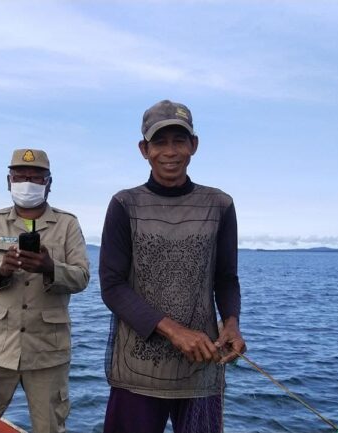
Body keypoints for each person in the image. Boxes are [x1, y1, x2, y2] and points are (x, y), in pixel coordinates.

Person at [99, 100, 246, 433]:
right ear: (144, 149)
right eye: (159, 142)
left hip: (201, 368)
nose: (170, 152)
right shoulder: (125, 204)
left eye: (179, 141)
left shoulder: (219, 205)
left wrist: (231, 324)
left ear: (194, 145)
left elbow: (226, 278)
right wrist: (174, 331)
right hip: (136, 371)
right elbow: (112, 287)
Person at [0, 149, 90, 433]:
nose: (27, 183)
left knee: (50, 427)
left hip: (48, 351)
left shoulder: (68, 224)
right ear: (8, 182)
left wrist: (50, 268)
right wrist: (1, 270)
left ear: (49, 183)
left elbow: (82, 277)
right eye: (20, 177)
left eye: (35, 177)